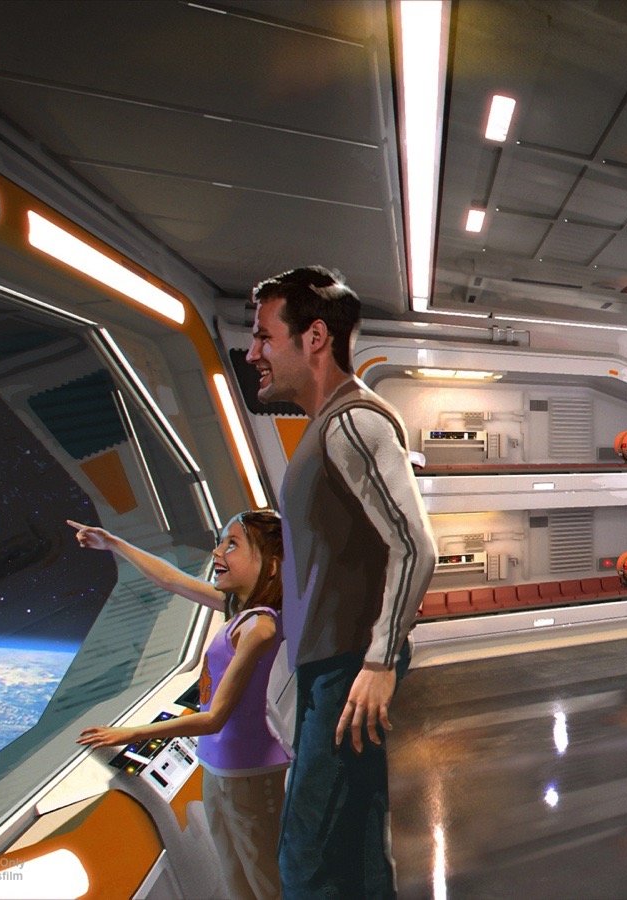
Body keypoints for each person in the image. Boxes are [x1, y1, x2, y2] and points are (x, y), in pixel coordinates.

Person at [245, 266, 435, 899]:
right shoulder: (324, 425)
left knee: (310, 858)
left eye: (265, 336)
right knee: (351, 841)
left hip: (348, 668)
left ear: (315, 338)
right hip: (332, 665)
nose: (253, 353)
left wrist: (379, 661)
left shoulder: (352, 424)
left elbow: (414, 544)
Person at [70, 510, 288, 900]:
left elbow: (214, 718)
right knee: (235, 874)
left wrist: (129, 734)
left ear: (270, 566)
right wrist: (114, 543)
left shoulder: (261, 627)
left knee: (267, 879)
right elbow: (170, 579)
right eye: (221, 542)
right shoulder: (236, 611)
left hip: (252, 773)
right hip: (218, 768)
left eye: (233, 544)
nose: (218, 552)